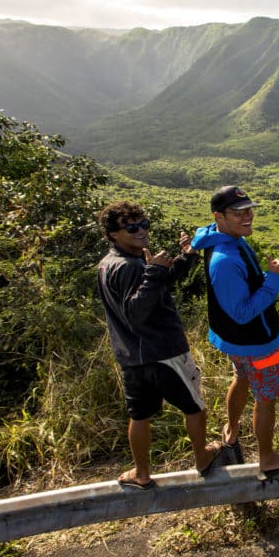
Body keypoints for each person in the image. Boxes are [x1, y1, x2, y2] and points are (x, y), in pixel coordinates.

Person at [97, 201, 223, 490]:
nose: (141, 230)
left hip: (132, 357)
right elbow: (136, 314)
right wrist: (153, 271)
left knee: (139, 414)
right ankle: (202, 458)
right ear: (113, 234)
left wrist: (185, 257)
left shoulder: (110, 263)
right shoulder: (129, 266)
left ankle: (141, 473)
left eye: (143, 224)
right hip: (162, 352)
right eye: (131, 227)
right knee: (195, 407)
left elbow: (158, 286)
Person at [191, 186, 279, 479]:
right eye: (238, 212)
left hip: (235, 341)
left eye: (249, 210)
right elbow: (242, 313)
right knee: (265, 397)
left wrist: (273, 285)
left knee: (241, 377)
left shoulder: (225, 237)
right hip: (255, 342)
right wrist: (275, 278)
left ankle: (231, 430)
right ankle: (267, 458)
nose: (248, 216)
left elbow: (244, 285)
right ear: (220, 216)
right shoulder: (224, 259)